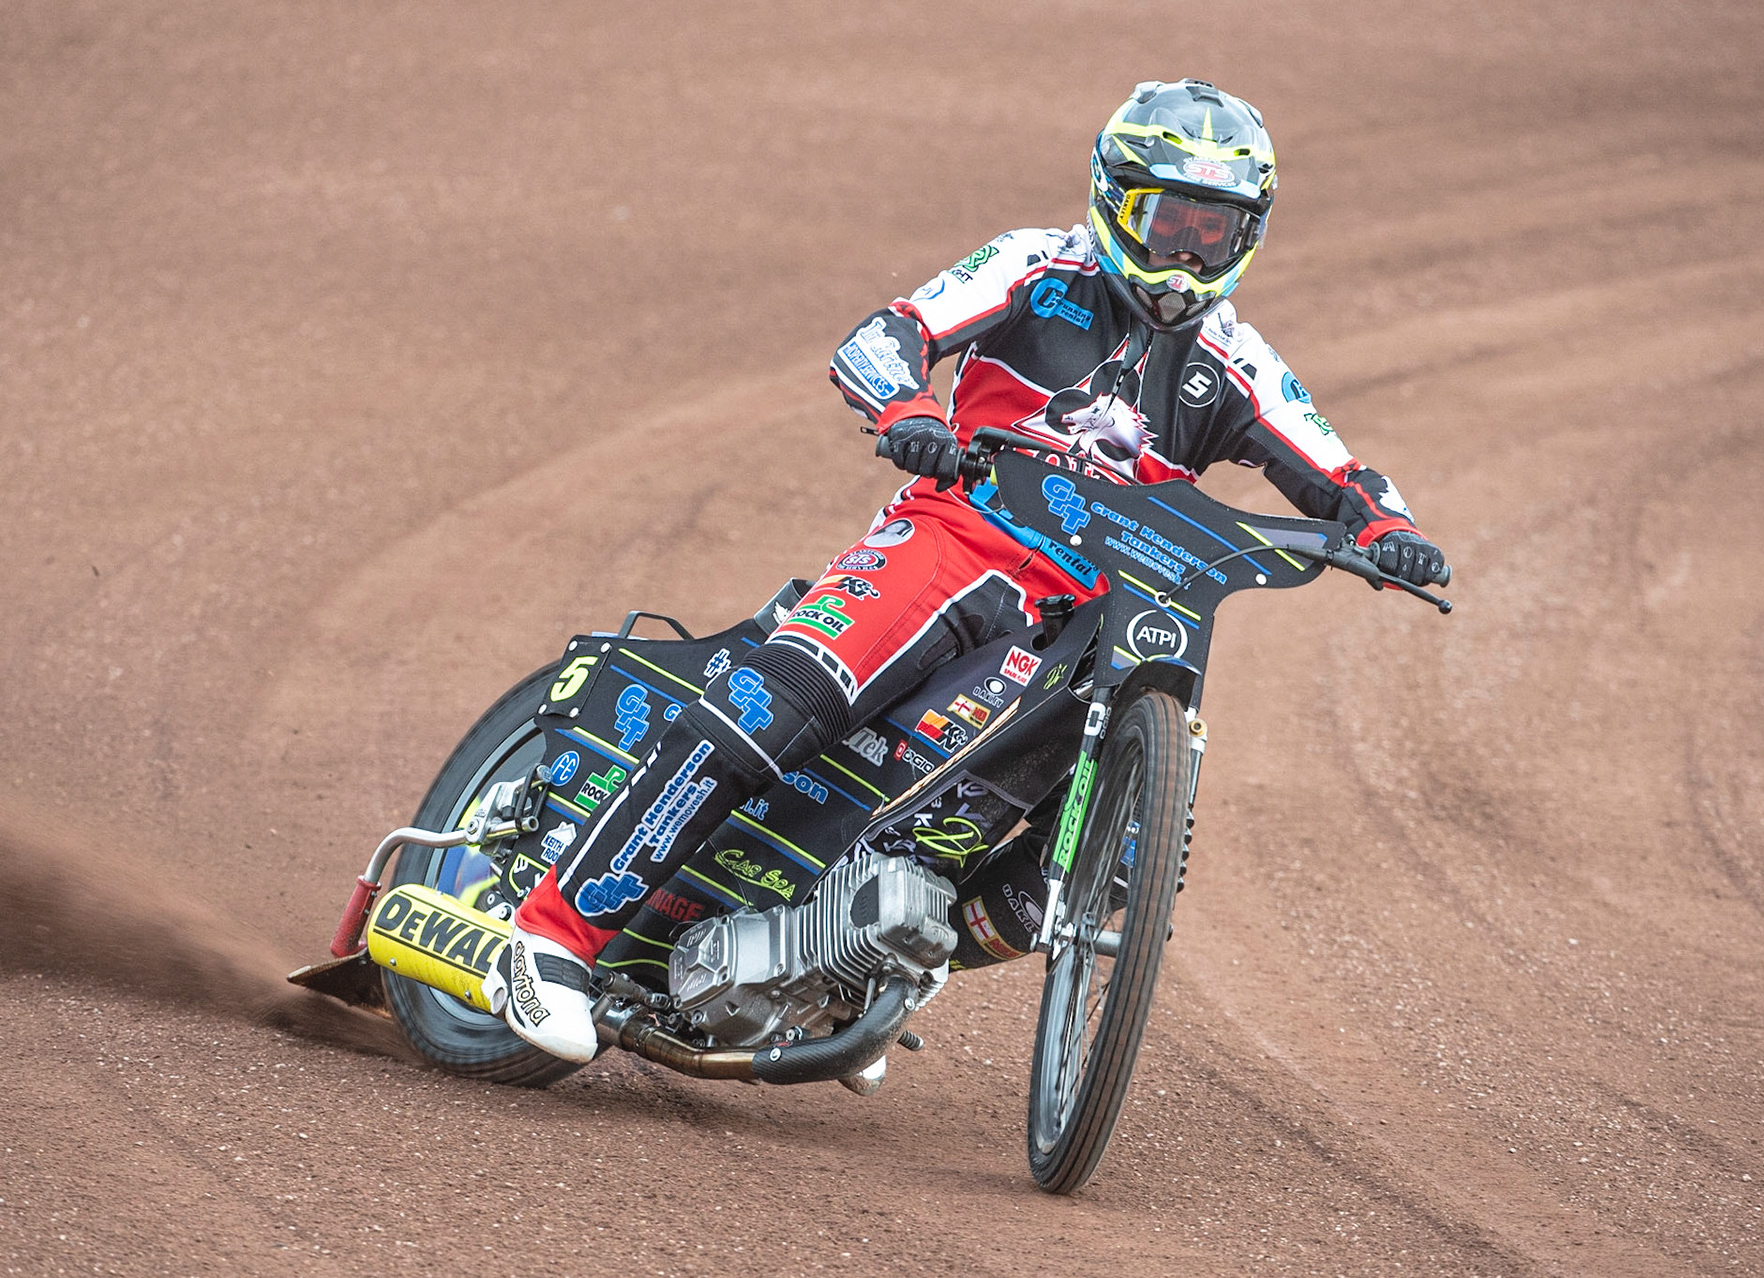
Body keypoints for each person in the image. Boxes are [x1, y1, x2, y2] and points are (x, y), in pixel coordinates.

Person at [482, 78, 1447, 1062]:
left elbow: (1343, 474)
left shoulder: (1236, 361)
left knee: (1103, 872)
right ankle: (549, 937)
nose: (1188, 254)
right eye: (1167, 223)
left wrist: (1388, 533)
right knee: (782, 703)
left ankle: (840, 971)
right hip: (957, 538)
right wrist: (908, 412)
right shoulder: (1038, 266)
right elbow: (887, 337)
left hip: (1093, 619)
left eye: (1214, 229)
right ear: (1116, 203)